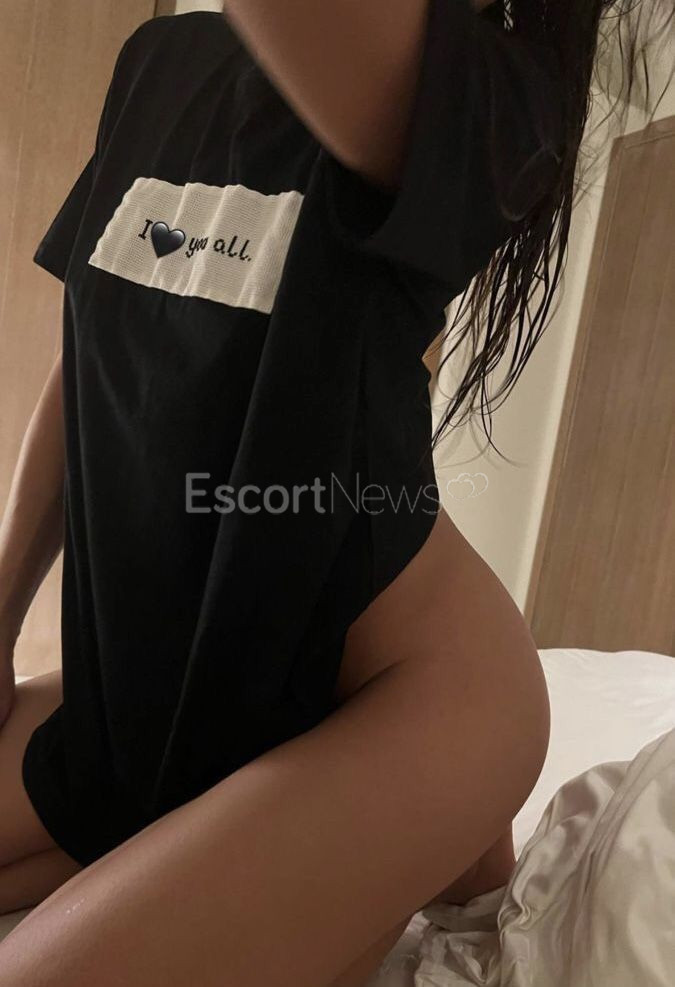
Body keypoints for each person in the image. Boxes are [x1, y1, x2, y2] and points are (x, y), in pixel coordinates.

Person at [0, 1, 668, 985]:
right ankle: (419, 856)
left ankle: (427, 828)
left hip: (396, 690)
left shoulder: (489, 96)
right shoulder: (158, 60)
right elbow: (85, 355)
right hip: (151, 685)